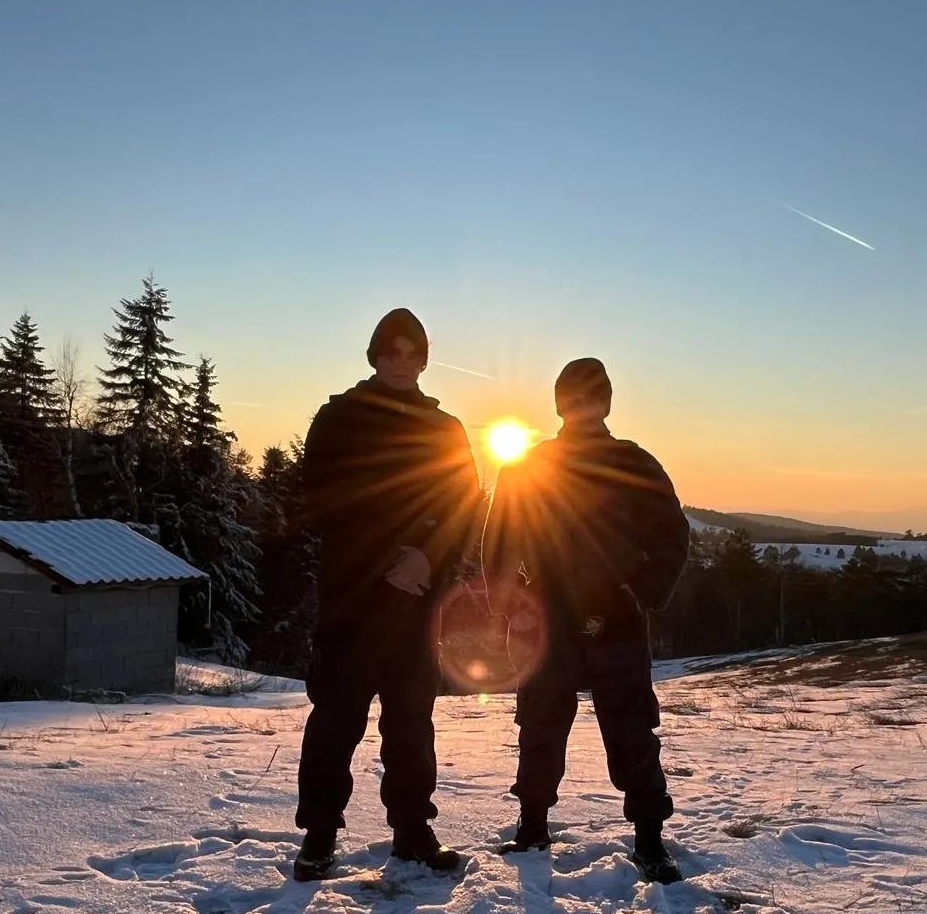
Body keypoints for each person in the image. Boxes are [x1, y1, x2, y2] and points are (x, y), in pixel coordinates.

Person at [482, 357, 690, 882]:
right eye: (573, 397)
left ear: (607, 402)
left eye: (592, 396)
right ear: (560, 405)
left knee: (632, 729)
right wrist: (512, 607)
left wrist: (638, 589)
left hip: (615, 617)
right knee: (540, 726)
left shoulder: (634, 464)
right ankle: (532, 827)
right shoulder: (527, 467)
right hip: (546, 619)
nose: (583, 406)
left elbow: (671, 535)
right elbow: (499, 543)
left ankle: (650, 838)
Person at [292, 308, 482, 881]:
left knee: (411, 721)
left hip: (417, 604)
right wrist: (386, 561)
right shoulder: (340, 418)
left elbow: (466, 504)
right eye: (391, 351)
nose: (402, 362)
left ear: (425, 359)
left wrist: (426, 558)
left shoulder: (445, 430)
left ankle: (412, 831)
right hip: (353, 598)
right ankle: (319, 836)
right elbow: (322, 500)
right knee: (336, 718)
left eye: (413, 352)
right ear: (374, 355)